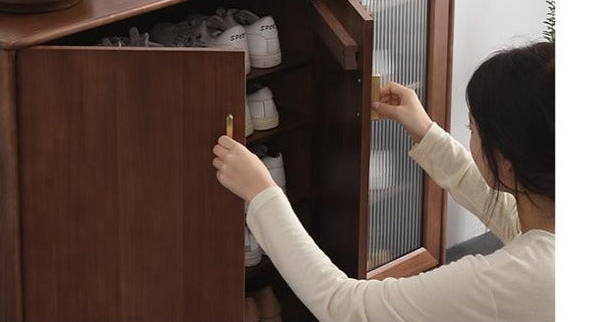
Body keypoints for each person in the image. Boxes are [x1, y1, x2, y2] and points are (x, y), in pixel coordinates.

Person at [212, 41, 554, 322]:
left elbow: (346, 306)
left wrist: (263, 194)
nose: (470, 136)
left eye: (473, 130)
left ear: (507, 165)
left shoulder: (512, 280)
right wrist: (426, 132)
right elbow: (508, 212)